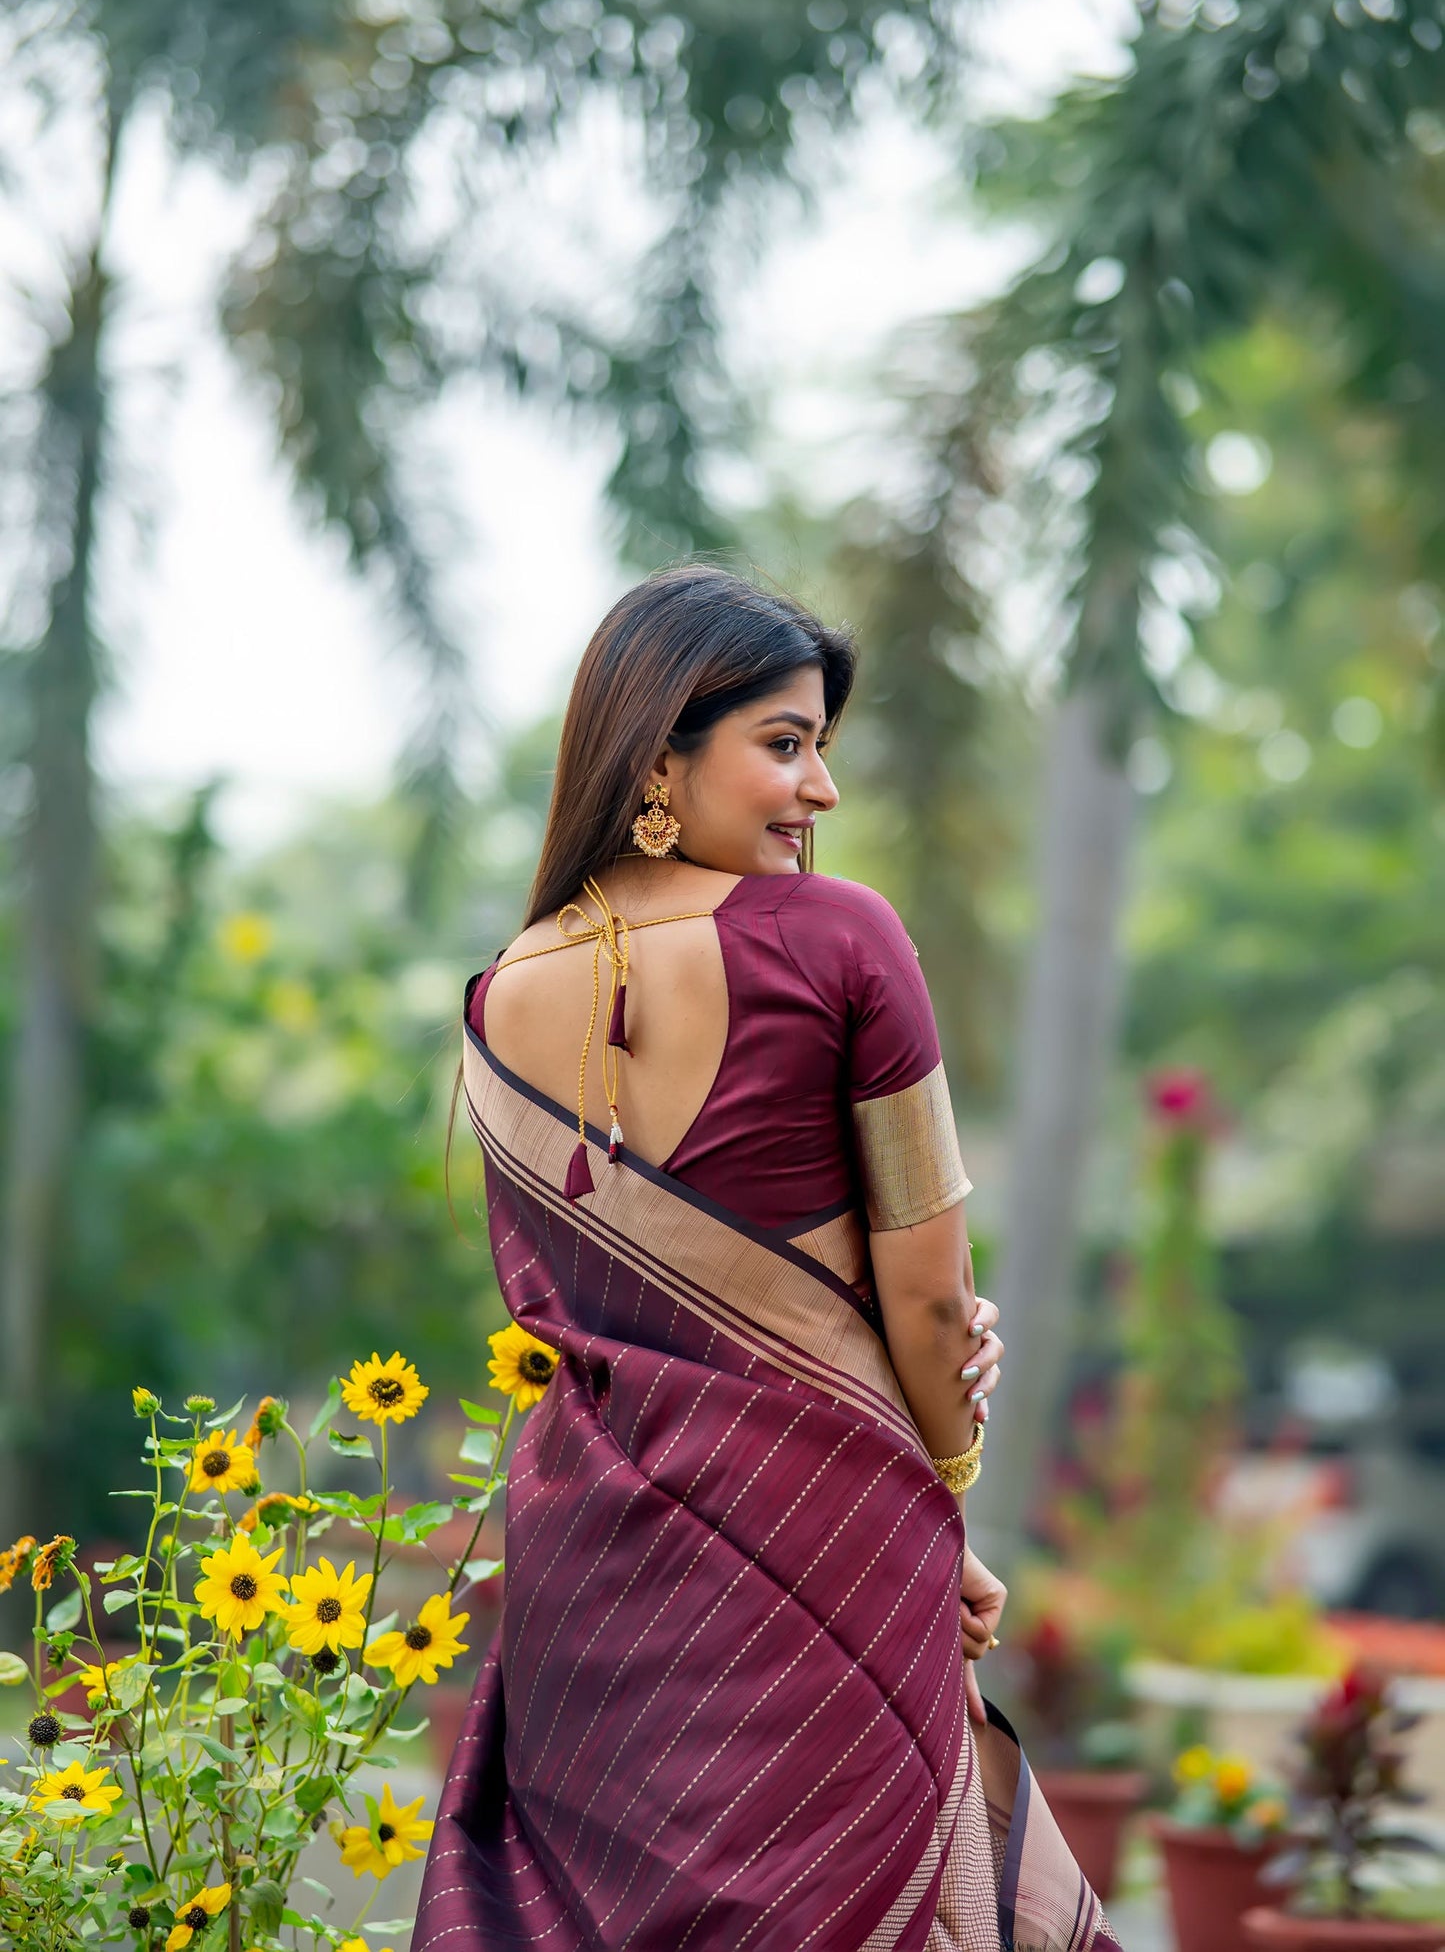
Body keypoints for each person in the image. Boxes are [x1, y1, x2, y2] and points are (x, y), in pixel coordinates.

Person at [416, 565, 1120, 1951]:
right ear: (663, 748)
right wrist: (946, 1505)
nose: (822, 791)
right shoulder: (840, 939)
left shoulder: (502, 994)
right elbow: (926, 1304)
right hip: (822, 1554)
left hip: (592, 1584)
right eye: (784, 744)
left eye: (821, 749)